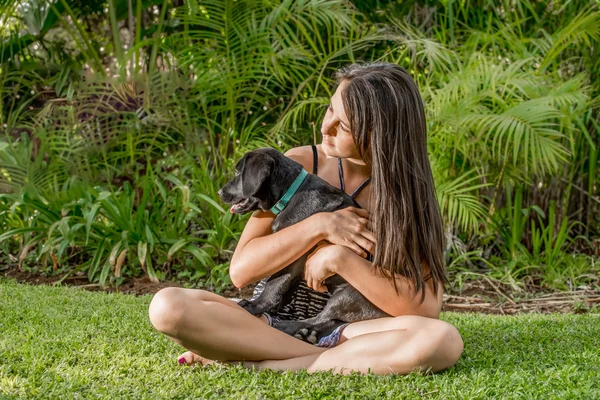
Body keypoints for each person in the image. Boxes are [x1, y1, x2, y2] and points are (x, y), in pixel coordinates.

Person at [148, 62, 464, 375]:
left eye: (344, 126)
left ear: (379, 134)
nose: (326, 128)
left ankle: (272, 362)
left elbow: (423, 308)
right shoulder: (300, 164)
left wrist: (339, 258)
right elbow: (241, 272)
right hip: (266, 320)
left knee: (443, 340)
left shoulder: (405, 196)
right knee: (168, 307)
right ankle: (316, 358)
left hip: (345, 330)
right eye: (330, 110)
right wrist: (319, 226)